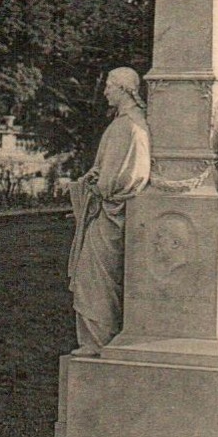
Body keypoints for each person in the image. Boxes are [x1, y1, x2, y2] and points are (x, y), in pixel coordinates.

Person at [68, 67, 151, 356]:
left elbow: (132, 174)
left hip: (111, 212)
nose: (104, 92)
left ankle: (99, 340)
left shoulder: (132, 126)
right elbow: (106, 169)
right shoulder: (123, 124)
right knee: (91, 274)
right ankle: (95, 339)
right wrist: (94, 178)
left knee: (95, 276)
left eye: (109, 87)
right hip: (106, 210)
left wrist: (99, 186)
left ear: (124, 90)